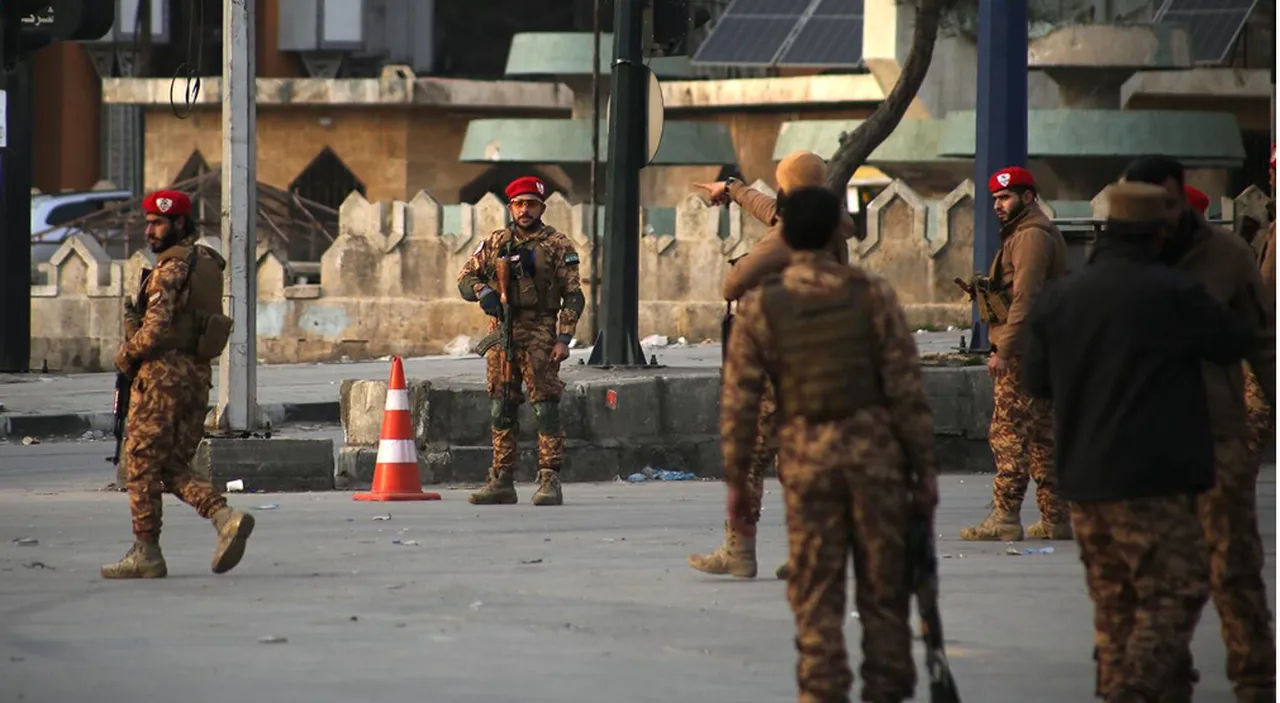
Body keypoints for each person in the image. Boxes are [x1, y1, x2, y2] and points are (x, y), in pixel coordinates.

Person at [1021, 181, 1255, 703]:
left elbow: (1036, 382)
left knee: (1113, 601)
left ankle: (1119, 685)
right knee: (1176, 589)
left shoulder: (1062, 297)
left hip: (1085, 477)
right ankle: (1133, 688)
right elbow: (1234, 340)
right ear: (1158, 234)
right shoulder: (1173, 294)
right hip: (1155, 476)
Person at [720, 185, 938, 703]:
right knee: (885, 596)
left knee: (817, 600)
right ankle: (886, 690)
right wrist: (924, 470)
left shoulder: (764, 307)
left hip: (808, 467)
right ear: (840, 231)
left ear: (786, 234)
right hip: (877, 465)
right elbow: (907, 392)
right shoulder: (873, 294)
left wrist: (736, 486)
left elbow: (739, 405)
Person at [1121, 155, 1276, 702]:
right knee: (1155, 576)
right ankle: (1167, 680)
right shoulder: (1122, 257)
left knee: (1234, 570)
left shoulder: (1226, 255)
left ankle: (1255, 683)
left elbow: (1263, 343)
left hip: (1217, 437)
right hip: (1145, 445)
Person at [688, 151, 862, 581]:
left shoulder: (784, 239)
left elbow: (734, 282)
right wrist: (731, 190)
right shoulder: (831, 225)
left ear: (786, 189)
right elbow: (772, 210)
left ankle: (739, 551)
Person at [103, 189, 251, 579]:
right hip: (196, 377)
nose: (150, 231)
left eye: (158, 223)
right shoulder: (205, 264)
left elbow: (154, 334)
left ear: (179, 224)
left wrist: (126, 353)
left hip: (162, 379)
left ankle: (146, 552)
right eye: (148, 222)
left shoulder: (169, 270)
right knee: (172, 465)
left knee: (140, 464)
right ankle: (224, 517)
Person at [456, 176, 585, 507]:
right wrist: (482, 291)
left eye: (531, 204)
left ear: (541, 207)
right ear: (511, 207)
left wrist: (564, 337)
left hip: (540, 330)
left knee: (545, 406)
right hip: (502, 333)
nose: (524, 210)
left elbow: (573, 295)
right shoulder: (497, 242)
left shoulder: (558, 244)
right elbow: (465, 276)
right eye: (518, 204)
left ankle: (549, 479)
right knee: (501, 405)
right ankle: (501, 479)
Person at [960, 166, 1071, 542]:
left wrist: (1003, 349)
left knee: (1008, 433)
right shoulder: (1028, 233)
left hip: (1024, 351)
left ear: (1028, 197)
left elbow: (1027, 296)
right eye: (994, 199)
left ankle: (1005, 517)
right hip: (1042, 349)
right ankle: (1056, 518)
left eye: (1005, 197)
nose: (998, 205)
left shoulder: (1030, 237)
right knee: (1043, 436)